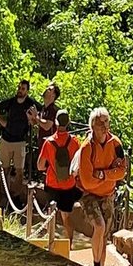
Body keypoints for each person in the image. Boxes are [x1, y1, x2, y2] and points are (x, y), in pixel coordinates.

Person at [72, 106, 128, 266]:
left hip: (108, 194)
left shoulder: (116, 144)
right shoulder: (86, 148)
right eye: (100, 123)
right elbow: (87, 182)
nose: (104, 126)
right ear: (92, 126)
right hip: (88, 194)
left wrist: (103, 175)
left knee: (103, 235)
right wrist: (111, 174)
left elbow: (122, 171)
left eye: (106, 121)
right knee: (99, 226)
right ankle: (96, 265)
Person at [37, 109, 82, 255]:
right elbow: (79, 163)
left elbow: (39, 165)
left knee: (50, 214)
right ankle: (68, 248)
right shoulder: (75, 142)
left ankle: (49, 245)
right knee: (66, 216)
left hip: (52, 183)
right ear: (68, 123)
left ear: (56, 123)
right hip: (69, 184)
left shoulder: (49, 142)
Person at [0, 78, 33, 199]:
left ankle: (16, 197)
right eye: (19, 88)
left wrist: (33, 120)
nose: (20, 90)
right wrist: (1, 121)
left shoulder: (30, 104)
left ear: (27, 91)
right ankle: (2, 194)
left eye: (23, 89)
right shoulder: (11, 102)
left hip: (20, 142)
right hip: (6, 140)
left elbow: (39, 116)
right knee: (4, 170)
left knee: (19, 172)